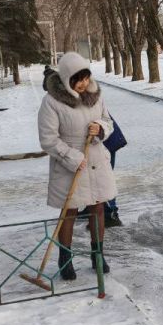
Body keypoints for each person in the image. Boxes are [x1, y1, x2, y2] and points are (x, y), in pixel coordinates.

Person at [38, 52, 117, 280]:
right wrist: (72, 157)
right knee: (69, 212)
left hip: (96, 161)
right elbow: (48, 140)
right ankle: (65, 258)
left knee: (98, 208)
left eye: (85, 77)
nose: (83, 84)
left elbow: (109, 122)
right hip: (69, 165)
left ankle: (97, 254)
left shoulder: (96, 95)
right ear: (66, 79)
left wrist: (100, 129)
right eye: (77, 79)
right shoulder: (52, 102)